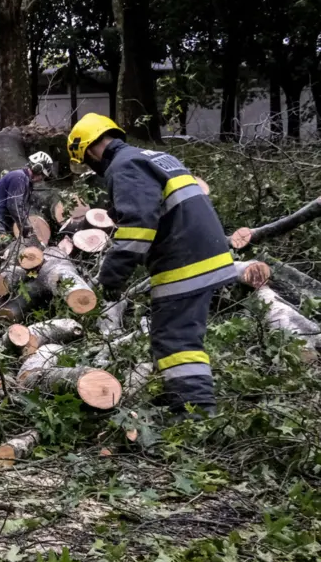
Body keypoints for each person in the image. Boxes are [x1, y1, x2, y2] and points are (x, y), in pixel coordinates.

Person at [67, 113, 236, 416]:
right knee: (179, 332)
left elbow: (138, 227)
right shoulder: (155, 157)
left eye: (85, 161)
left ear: (90, 150)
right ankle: (182, 398)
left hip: (185, 262)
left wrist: (111, 277)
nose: (92, 168)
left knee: (175, 339)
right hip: (204, 252)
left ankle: (195, 414)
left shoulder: (124, 166)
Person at [0, 152, 55, 256]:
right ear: (37, 168)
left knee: (2, 255)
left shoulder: (23, 180)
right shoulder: (19, 177)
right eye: (42, 175)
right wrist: (26, 227)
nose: (42, 179)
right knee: (8, 254)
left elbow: (19, 208)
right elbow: (14, 206)